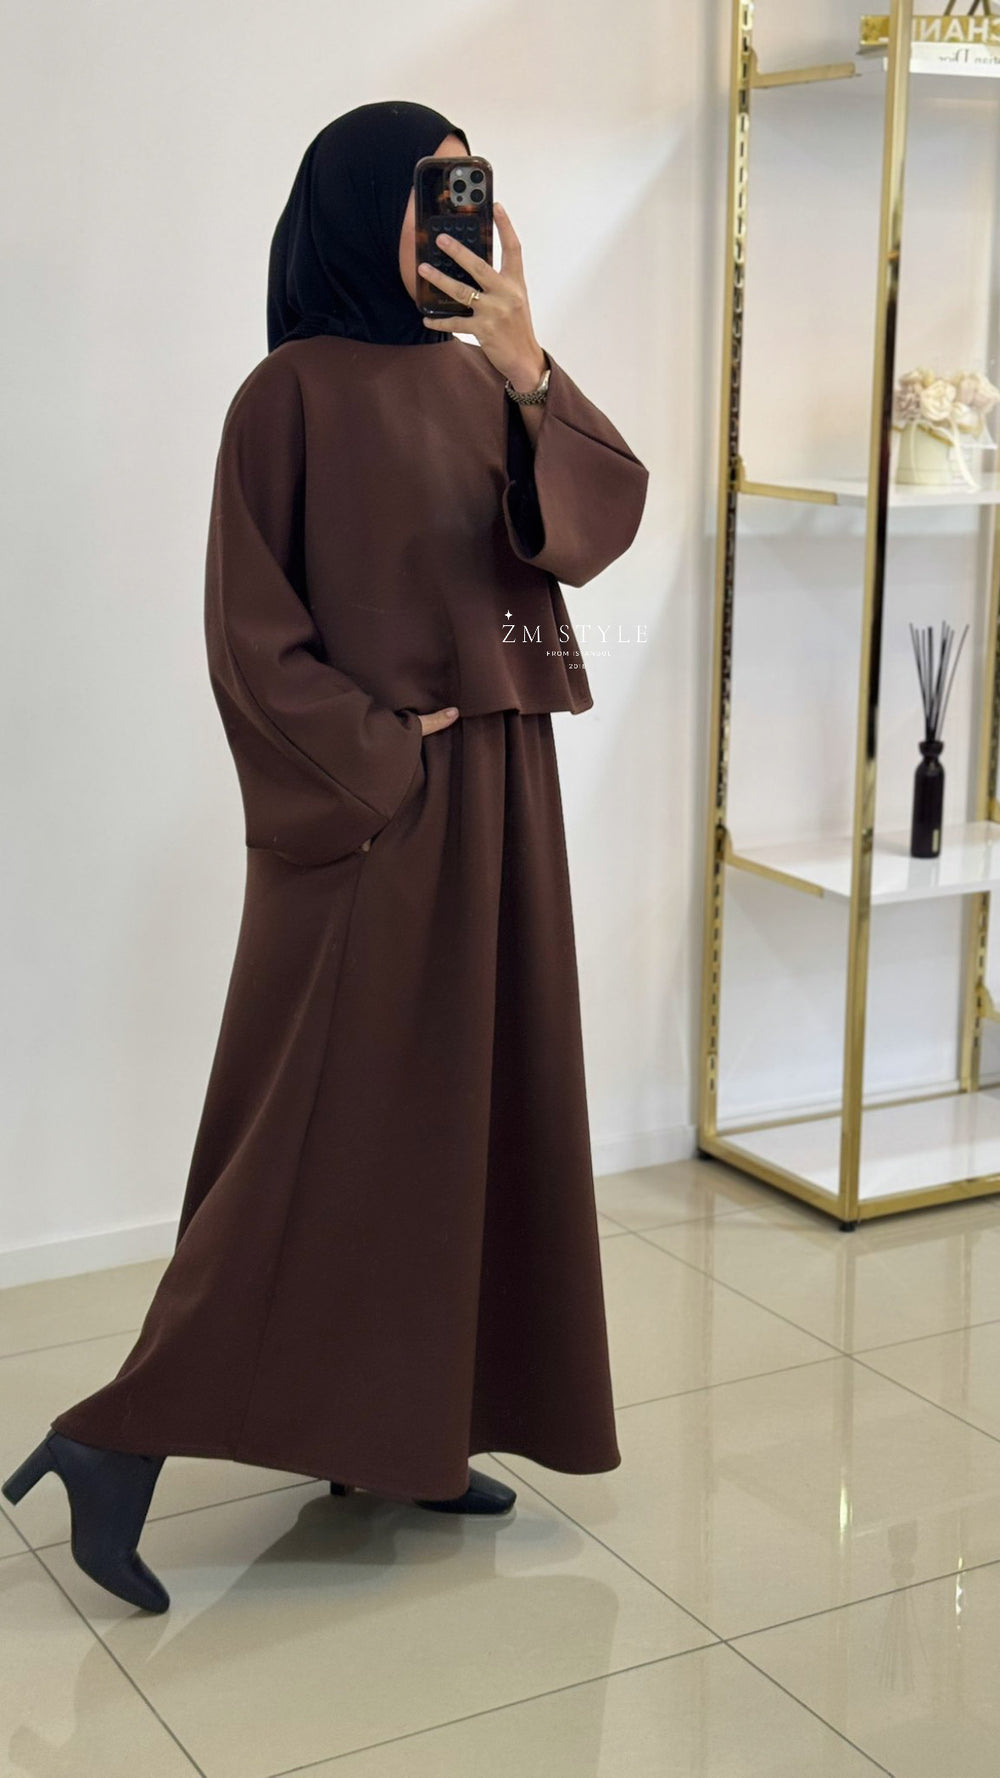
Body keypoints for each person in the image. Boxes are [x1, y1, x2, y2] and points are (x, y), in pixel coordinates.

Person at [2, 100, 650, 1614]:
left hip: (501, 800)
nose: (457, 212)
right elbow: (251, 641)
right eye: (430, 186)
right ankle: (115, 1438)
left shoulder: (482, 377)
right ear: (360, 207)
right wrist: (382, 751)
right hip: (369, 816)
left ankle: (407, 1440)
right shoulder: (283, 397)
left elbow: (592, 529)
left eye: (471, 184)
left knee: (459, 1126)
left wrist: (531, 370)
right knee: (310, 1139)